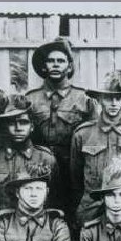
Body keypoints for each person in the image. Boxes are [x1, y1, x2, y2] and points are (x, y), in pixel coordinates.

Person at [25, 37, 97, 223]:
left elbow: (93, 137)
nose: (55, 65)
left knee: (74, 217)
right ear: (44, 66)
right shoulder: (31, 99)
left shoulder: (84, 99)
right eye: (51, 61)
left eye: (61, 61)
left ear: (69, 66)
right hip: (40, 169)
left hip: (73, 170)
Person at [71, 70, 121, 226]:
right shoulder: (83, 134)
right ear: (100, 99)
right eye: (109, 98)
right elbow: (76, 179)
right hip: (92, 211)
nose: (114, 103)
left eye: (119, 98)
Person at [0, 94, 57, 219]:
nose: (18, 128)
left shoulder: (46, 158)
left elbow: (55, 199)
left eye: (23, 122)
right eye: (12, 123)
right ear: (4, 127)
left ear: (32, 126)